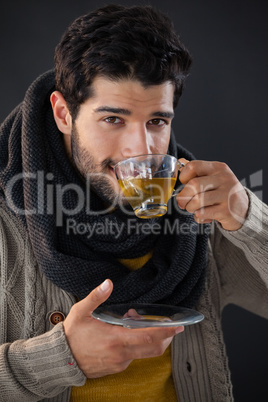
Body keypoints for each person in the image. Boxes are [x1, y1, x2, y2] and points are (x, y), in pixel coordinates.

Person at [0, 4, 267, 401]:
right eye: (113, 119)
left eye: (157, 122)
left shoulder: (201, 210)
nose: (139, 149)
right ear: (63, 114)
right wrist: (59, 358)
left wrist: (249, 217)